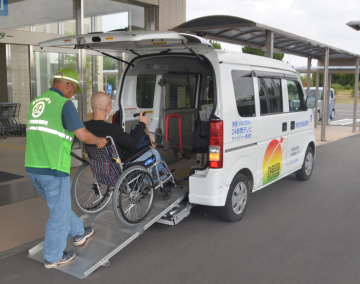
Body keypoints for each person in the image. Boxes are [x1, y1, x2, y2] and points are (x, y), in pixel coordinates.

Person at [25, 69, 107, 269]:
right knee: (59, 215)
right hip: (53, 168)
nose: (73, 93)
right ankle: (53, 257)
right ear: (67, 85)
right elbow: (82, 135)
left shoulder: (37, 102)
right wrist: (98, 141)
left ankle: (79, 233)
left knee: (58, 206)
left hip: (33, 166)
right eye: (74, 89)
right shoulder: (64, 104)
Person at [84, 92, 169, 183]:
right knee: (153, 152)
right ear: (107, 107)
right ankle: (159, 179)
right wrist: (142, 124)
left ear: (92, 107)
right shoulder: (112, 129)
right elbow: (133, 143)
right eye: (110, 106)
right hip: (122, 164)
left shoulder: (84, 127)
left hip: (101, 167)